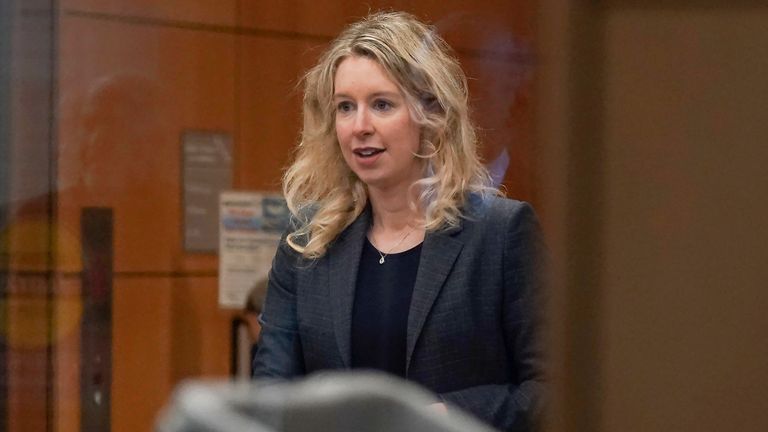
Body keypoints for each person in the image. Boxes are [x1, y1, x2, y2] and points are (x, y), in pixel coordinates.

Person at [253, 11, 544, 431]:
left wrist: (445, 418)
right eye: (345, 107)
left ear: (431, 114)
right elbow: (270, 397)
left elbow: (550, 392)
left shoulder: (501, 234)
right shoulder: (307, 241)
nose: (360, 127)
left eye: (382, 104)